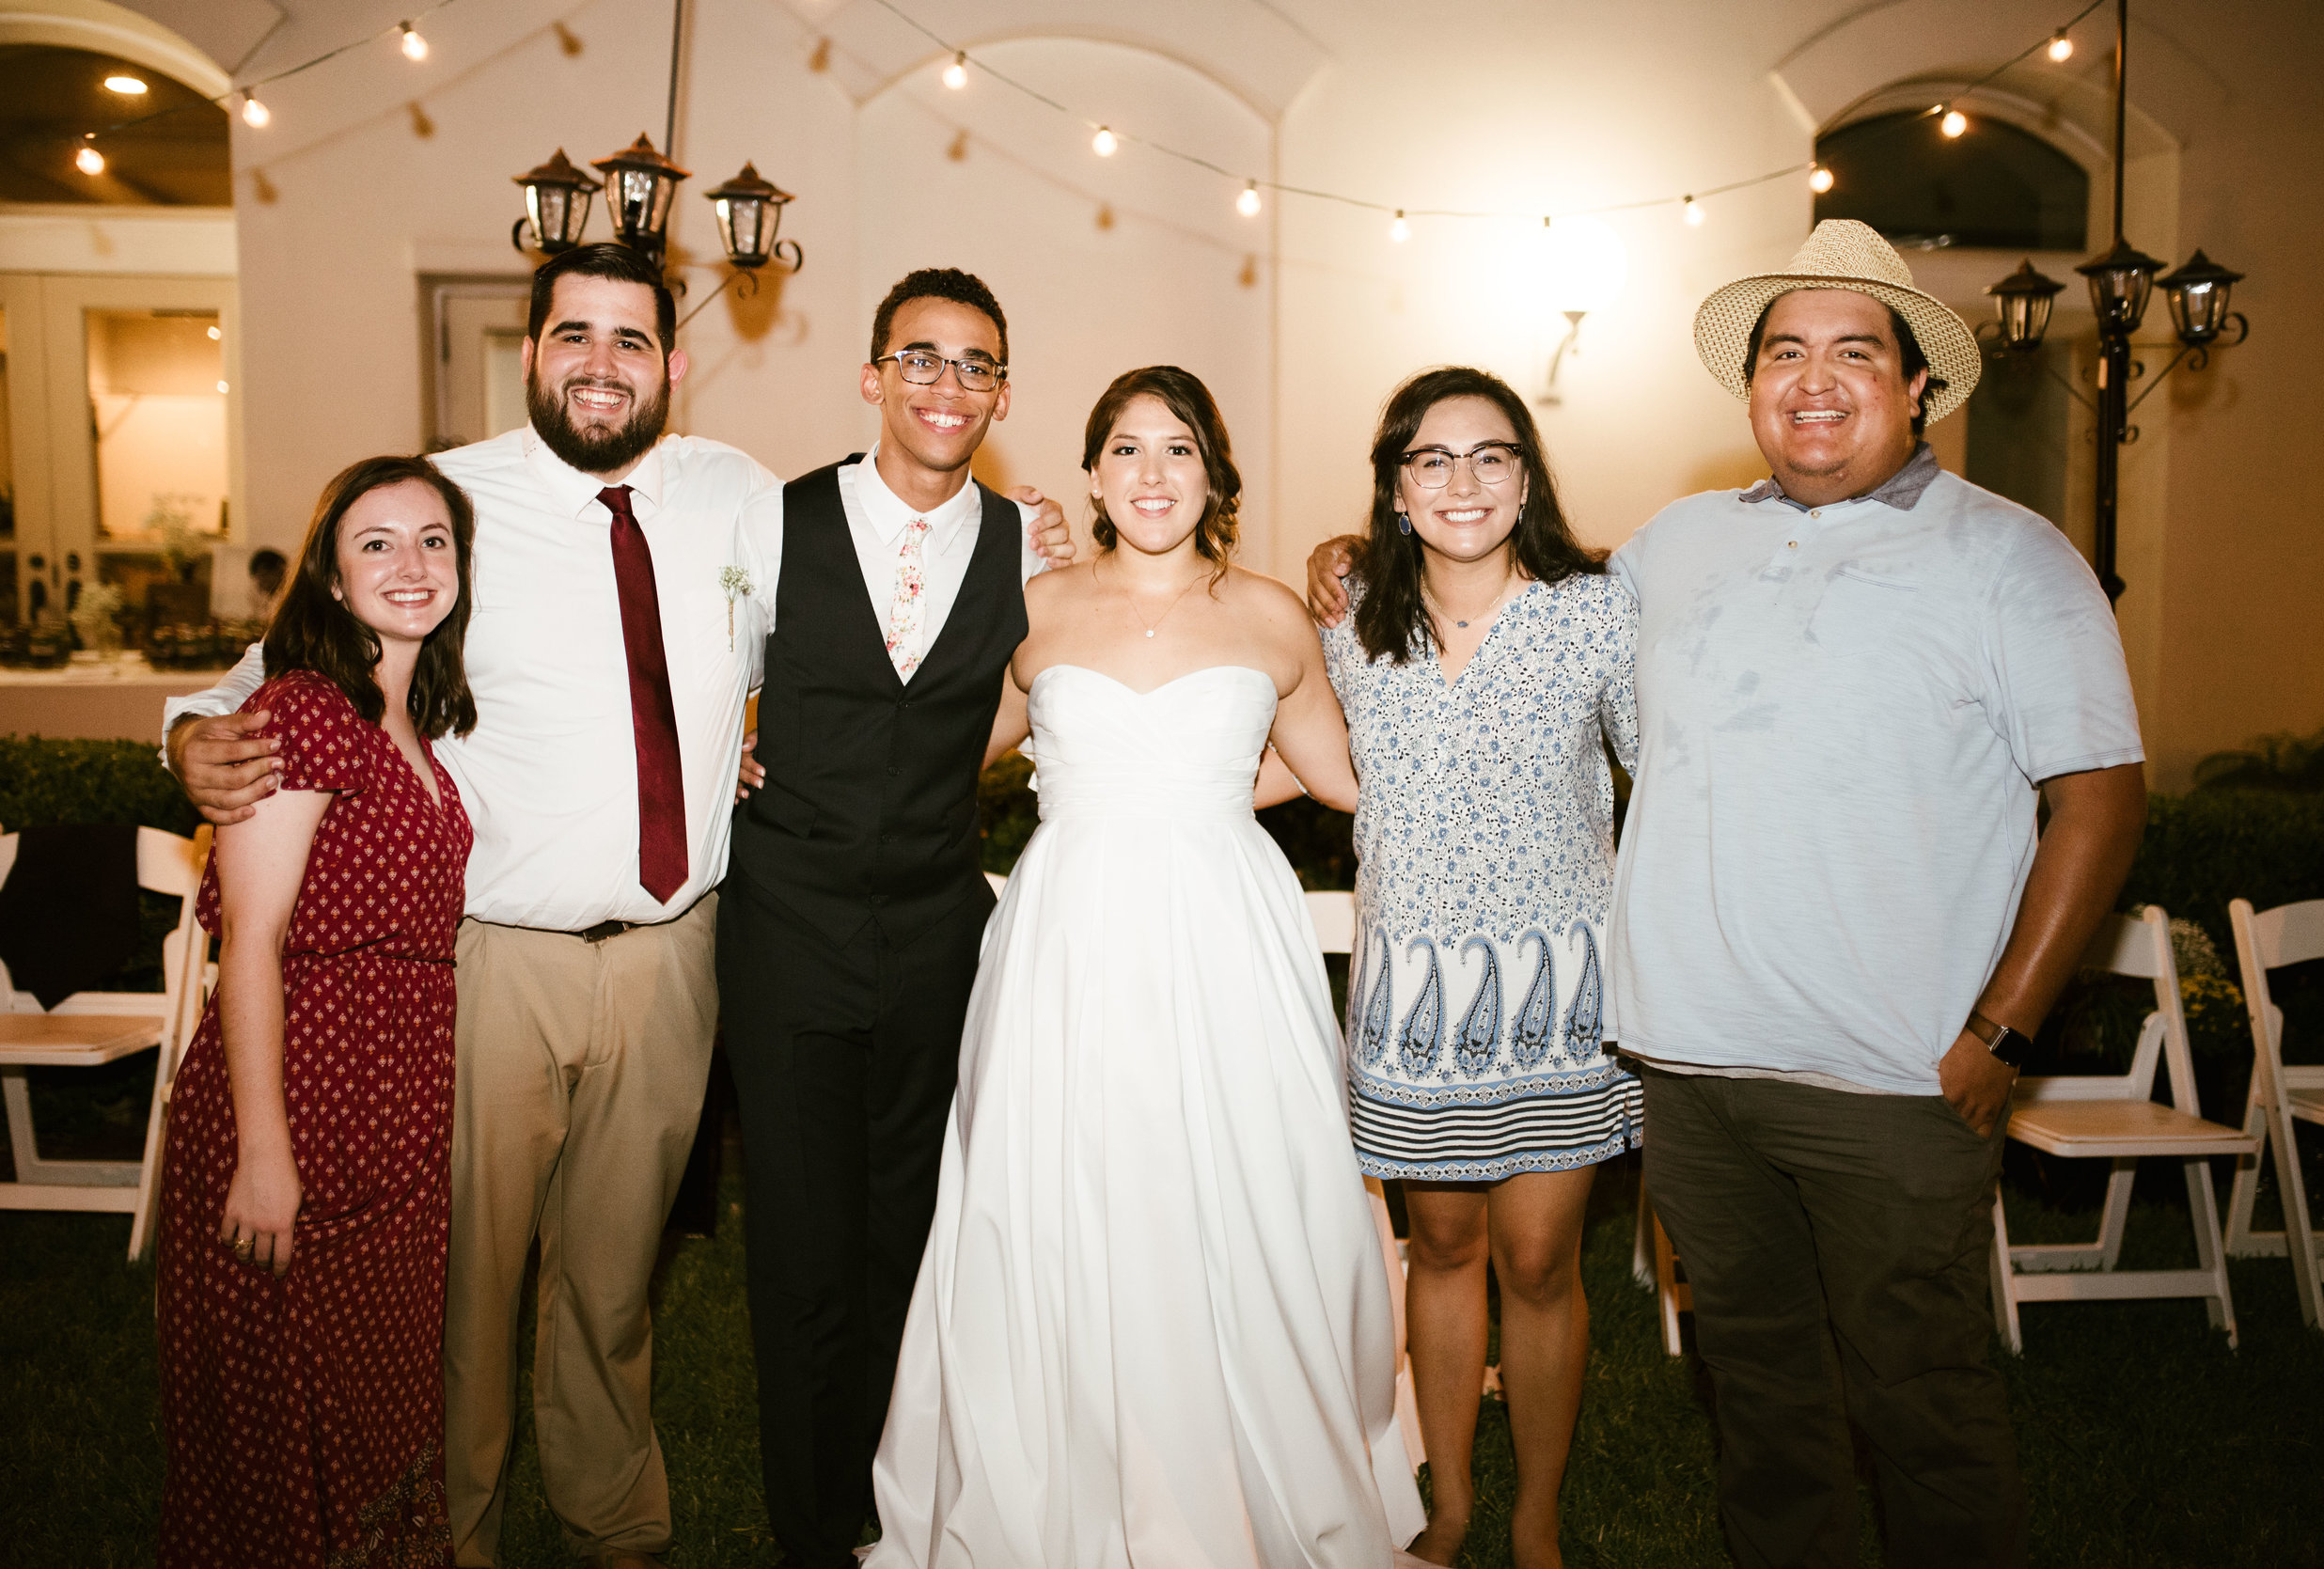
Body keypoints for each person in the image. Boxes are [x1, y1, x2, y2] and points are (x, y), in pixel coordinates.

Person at [163, 244, 1075, 1569]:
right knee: (469, 1280)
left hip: (676, 954)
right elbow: (275, 659)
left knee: (612, 1272)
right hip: (497, 957)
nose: (602, 364)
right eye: (575, 336)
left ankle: (611, 1515)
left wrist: (1029, 549)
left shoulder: (738, 498)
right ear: (535, 352)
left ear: (675, 363)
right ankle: (451, 1527)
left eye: (631, 340)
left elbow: (851, 613)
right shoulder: (452, 499)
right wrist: (188, 733)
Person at [1310, 219, 2147, 1569]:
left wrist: (2004, 1032)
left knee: (1920, 1403)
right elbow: (1514, 614)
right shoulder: (1672, 551)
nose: (1814, 380)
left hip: (1893, 1075)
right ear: (1751, 383)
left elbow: (2100, 802)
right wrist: (1347, 566)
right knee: (1760, 1403)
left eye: (1853, 352)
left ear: (1916, 381)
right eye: (1786, 352)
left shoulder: (2011, 557)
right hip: (1693, 1071)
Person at [866, 364, 1425, 1567]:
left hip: (1226, 932)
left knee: (1240, 1182)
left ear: (1216, 474)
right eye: (1126, 449)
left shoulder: (1275, 613)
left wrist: (1212, 796)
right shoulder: (1036, 607)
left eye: (1177, 449)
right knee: (1058, 1181)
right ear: (1093, 475)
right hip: (1070, 935)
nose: (1152, 472)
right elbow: (933, 747)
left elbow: (1343, 776)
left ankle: (1254, 1469)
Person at [719, 268, 1080, 1569]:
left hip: (938, 931)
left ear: (999, 393)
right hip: (788, 931)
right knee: (804, 1245)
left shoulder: (1026, 546)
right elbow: (689, 672)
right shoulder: (771, 522)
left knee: (914, 1236)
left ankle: (896, 1491)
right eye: (919, 358)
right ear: (873, 377)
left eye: (974, 363)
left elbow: (1070, 680)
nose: (946, 383)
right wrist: (729, 750)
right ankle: (811, 1526)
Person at [1296, 366, 1638, 1569]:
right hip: (1414, 1003)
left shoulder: (1596, 613)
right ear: (1394, 490)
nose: (1462, 481)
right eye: (1431, 460)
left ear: (1526, 477)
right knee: (1440, 1252)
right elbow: (1277, 744)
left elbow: (1671, 782)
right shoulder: (1346, 627)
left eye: (1490, 456)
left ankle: (1535, 1520)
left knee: (1541, 1260)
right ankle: (1448, 1509)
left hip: (1557, 999)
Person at [157, 454, 477, 1567]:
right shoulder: (304, 711)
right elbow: (250, 942)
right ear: (332, 583)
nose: (409, 563)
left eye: (433, 540)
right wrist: (262, 1152)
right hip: (296, 1096)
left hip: (393, 1113)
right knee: (284, 1413)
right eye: (376, 543)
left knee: (377, 1392)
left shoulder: (415, 732)